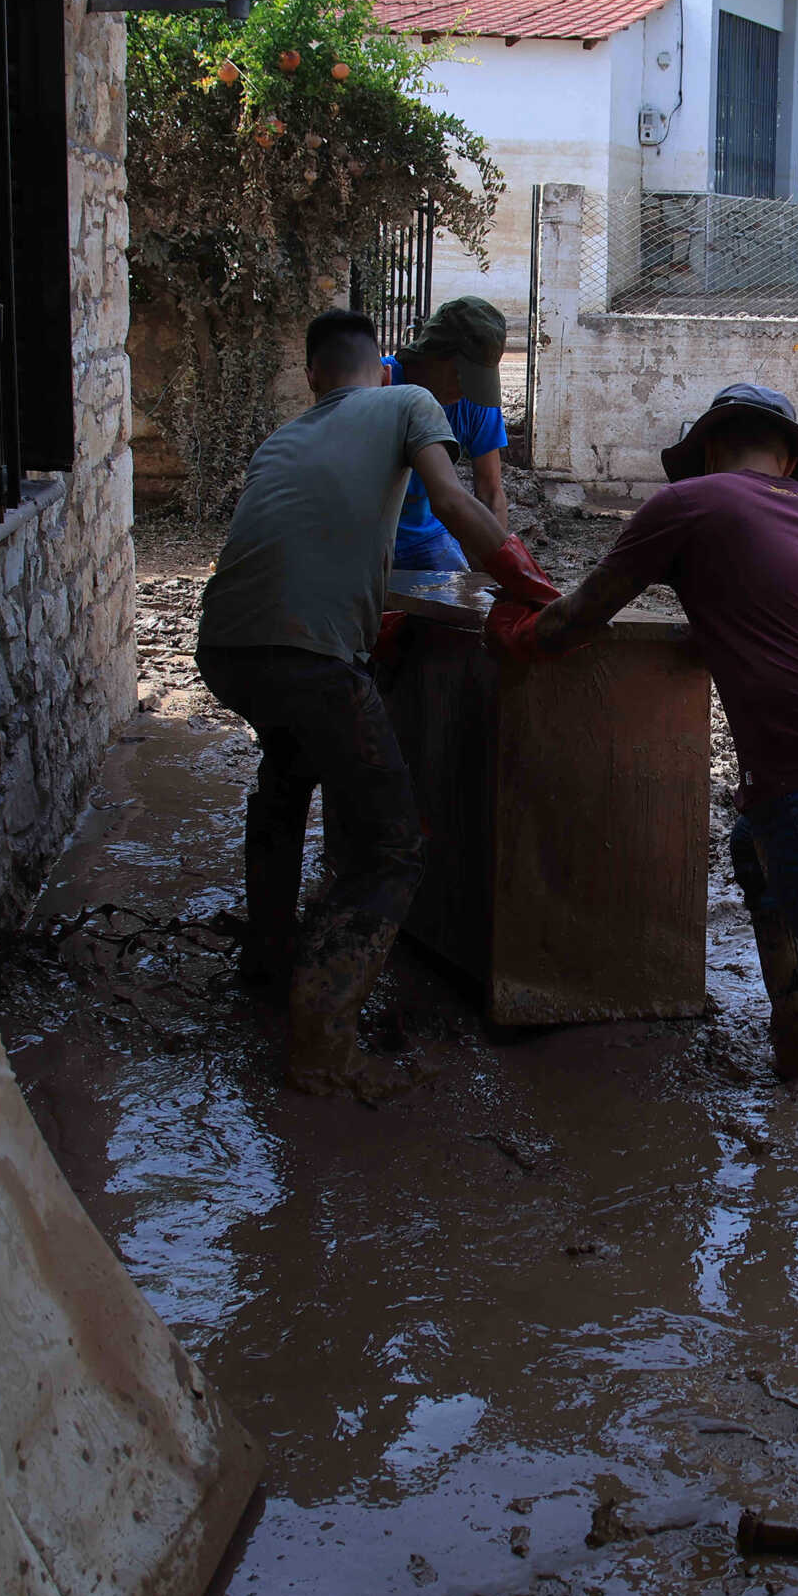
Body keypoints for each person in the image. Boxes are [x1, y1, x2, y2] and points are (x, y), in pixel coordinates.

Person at [492, 384, 798, 1250]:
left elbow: (579, 618)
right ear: (793, 459)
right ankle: (797, 1045)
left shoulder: (687, 503)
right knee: (754, 847)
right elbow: (796, 626)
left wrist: (518, 639)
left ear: (711, 449)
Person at [196, 308, 560, 1100]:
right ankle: (321, 1038)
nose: (459, 393)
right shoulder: (409, 405)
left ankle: (266, 961)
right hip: (310, 656)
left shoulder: (281, 439)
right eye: (457, 379)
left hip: (226, 649)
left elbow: (294, 545)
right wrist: (533, 588)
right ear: (410, 366)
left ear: (314, 375)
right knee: (392, 844)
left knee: (286, 776)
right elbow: (460, 506)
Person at [383, 297, 512, 572]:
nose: (468, 391)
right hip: (367, 536)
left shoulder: (477, 402)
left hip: (427, 538)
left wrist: (499, 573)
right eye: (462, 377)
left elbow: (490, 493)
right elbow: (449, 503)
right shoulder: (378, 383)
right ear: (434, 354)